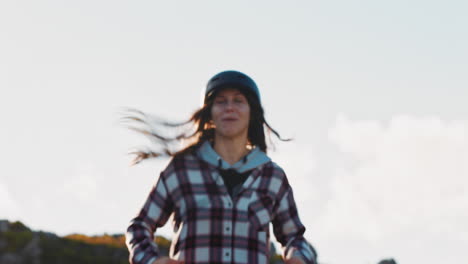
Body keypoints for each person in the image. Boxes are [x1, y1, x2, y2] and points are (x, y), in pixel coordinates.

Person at [124, 70, 318, 264]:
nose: (229, 108)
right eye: (221, 101)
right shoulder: (182, 170)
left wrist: (298, 258)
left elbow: (295, 238)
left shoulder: (272, 177)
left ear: (252, 112)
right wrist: (152, 261)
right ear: (209, 113)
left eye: (238, 101)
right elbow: (139, 228)